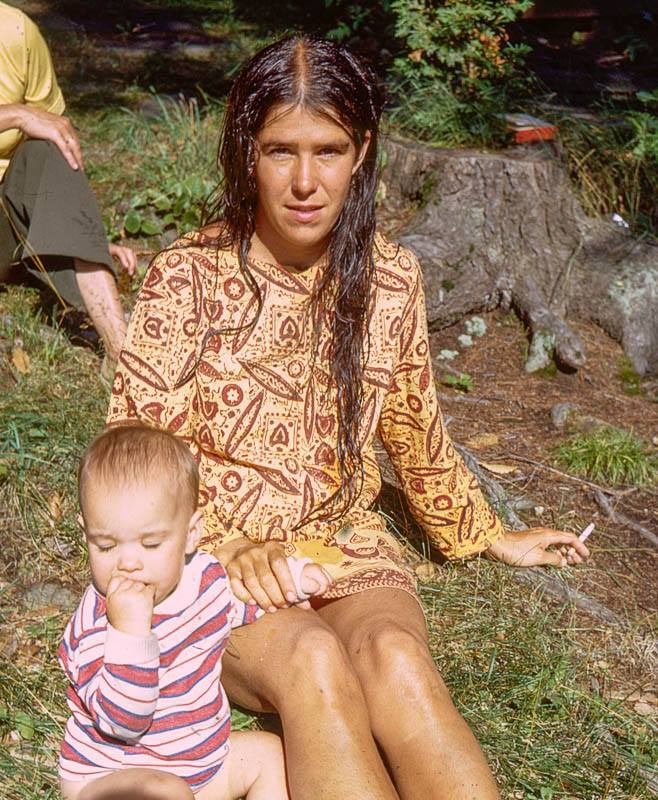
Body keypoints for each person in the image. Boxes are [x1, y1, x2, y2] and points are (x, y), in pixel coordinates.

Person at [106, 36, 591, 800]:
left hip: (342, 542)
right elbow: (131, 456)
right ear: (246, 152)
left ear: (362, 151)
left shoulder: (393, 278)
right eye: (280, 151)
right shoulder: (186, 277)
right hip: (211, 564)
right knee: (312, 663)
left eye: (328, 150)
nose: (305, 181)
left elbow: (414, 427)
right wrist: (224, 544)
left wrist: (487, 533)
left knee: (396, 654)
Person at [58, 424, 331, 800]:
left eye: (151, 544)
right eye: (106, 547)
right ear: (86, 534)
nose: (128, 563)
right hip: (113, 777)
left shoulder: (203, 578)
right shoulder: (96, 626)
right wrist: (131, 635)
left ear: (190, 534)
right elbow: (124, 721)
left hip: (201, 767)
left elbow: (241, 600)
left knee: (269, 756)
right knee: (164, 790)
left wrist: (296, 579)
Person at [0, 2, 135, 370]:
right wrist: (14, 114)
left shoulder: (15, 31)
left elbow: (55, 133)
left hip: (7, 222)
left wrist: (79, 233)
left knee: (49, 145)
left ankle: (120, 354)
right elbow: (25, 117)